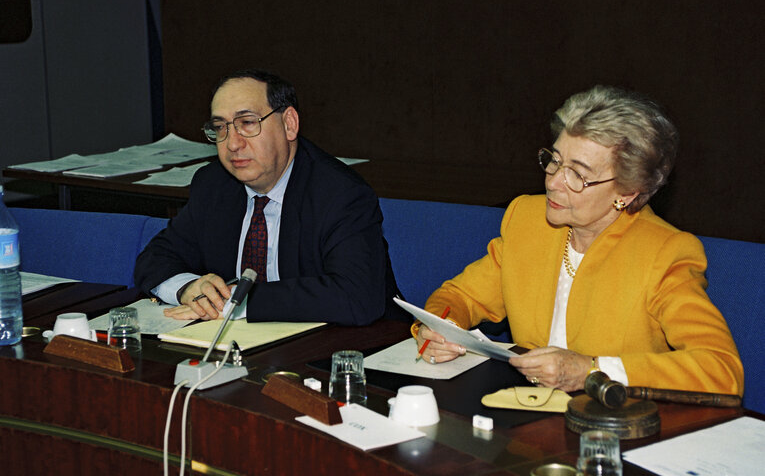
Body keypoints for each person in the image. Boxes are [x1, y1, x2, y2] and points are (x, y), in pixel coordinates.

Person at [415, 85, 744, 395]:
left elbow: (721, 369)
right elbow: (458, 297)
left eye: (578, 174)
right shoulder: (528, 220)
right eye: (555, 160)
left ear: (626, 193)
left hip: (612, 427)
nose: (554, 182)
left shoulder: (663, 253)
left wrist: (592, 370)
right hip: (524, 417)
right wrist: (442, 328)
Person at [134, 69, 400, 326]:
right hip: (241, 348)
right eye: (221, 127)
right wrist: (189, 288)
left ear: (289, 124)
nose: (233, 143)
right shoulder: (214, 184)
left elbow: (357, 296)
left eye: (247, 123)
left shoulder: (339, 193)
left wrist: (234, 301)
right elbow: (154, 259)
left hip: (346, 350)